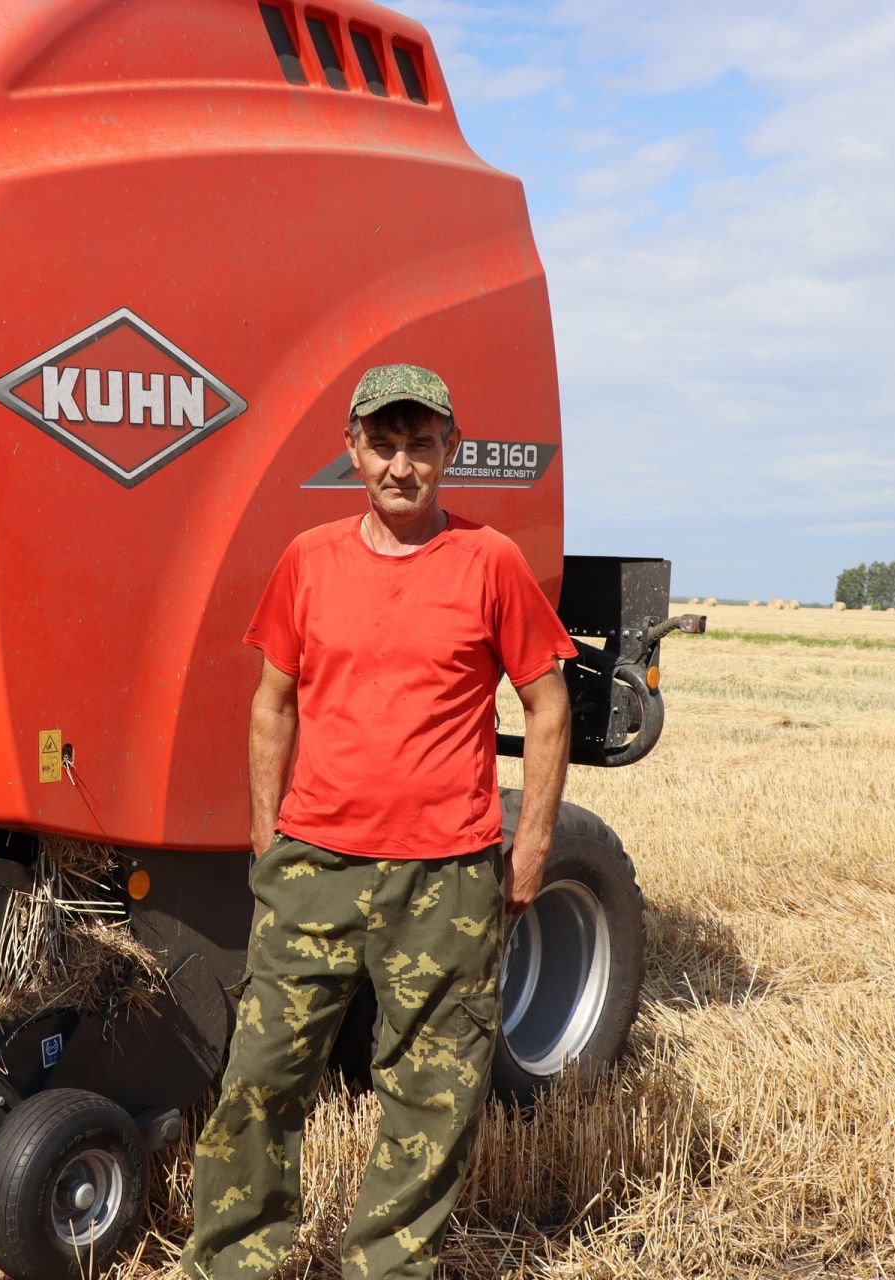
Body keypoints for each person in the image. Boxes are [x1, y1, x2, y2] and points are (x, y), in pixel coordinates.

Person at [182, 363, 576, 1279]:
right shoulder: (308, 561)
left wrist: (534, 845)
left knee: (433, 1097)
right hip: (315, 863)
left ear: (452, 450)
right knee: (262, 1078)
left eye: (421, 445)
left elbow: (547, 705)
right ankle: (235, 1262)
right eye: (383, 444)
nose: (402, 465)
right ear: (353, 449)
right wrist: (263, 831)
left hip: (448, 879)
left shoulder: (492, 564)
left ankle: (387, 1270)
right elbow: (271, 704)